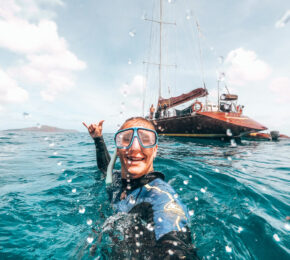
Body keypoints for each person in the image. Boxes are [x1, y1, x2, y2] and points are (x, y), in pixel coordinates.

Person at [83, 117, 199, 259]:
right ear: (118, 149)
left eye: (145, 139)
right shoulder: (117, 180)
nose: (135, 147)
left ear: (155, 150)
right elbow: (105, 170)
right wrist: (98, 139)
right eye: (126, 139)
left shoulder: (159, 197)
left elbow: (175, 247)